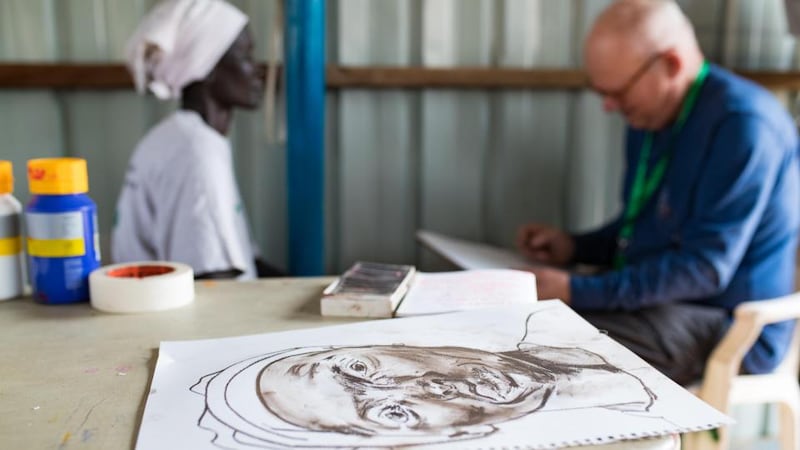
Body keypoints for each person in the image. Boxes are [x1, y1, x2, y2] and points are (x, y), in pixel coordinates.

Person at [517, 0, 800, 385]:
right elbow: (639, 229)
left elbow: (704, 269)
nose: (608, 106)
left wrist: (575, 288)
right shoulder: (651, 115)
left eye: (618, 91)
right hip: (663, 304)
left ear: (671, 63)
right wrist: (573, 248)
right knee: (534, 322)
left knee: (556, 343)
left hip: (732, 322)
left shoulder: (745, 127)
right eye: (602, 92)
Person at [190, 307, 656, 448]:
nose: (428, 388)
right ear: (460, 433)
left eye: (359, 370)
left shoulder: (548, 323)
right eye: (392, 413)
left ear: (394, 344)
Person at [112, 0, 282, 279]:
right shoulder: (195, 152)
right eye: (246, 57)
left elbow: (244, 261)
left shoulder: (184, 137)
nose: (257, 70)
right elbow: (213, 281)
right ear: (209, 67)